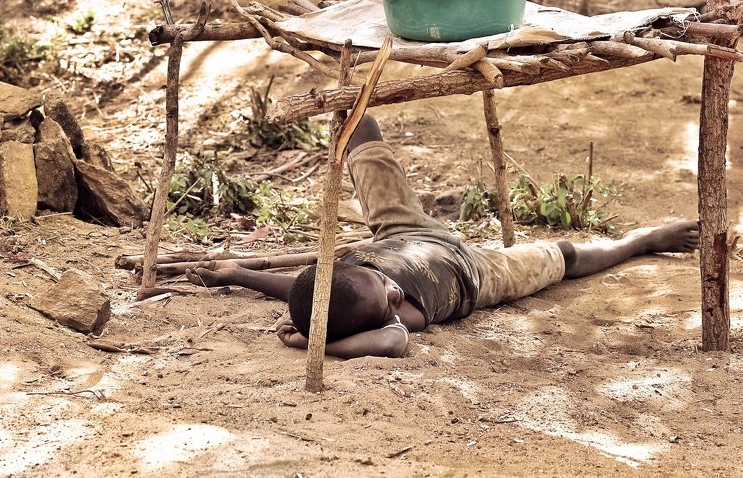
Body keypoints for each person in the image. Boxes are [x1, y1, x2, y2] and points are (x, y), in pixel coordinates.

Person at [185, 114, 700, 359]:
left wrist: (241, 275)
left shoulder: (340, 284)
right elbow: (389, 342)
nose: (390, 288)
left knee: (362, 137)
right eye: (385, 298)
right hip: (476, 272)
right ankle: (642, 241)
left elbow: (305, 286)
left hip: (405, 231)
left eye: (368, 278)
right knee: (561, 256)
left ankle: (353, 97)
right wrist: (321, 344)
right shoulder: (398, 319)